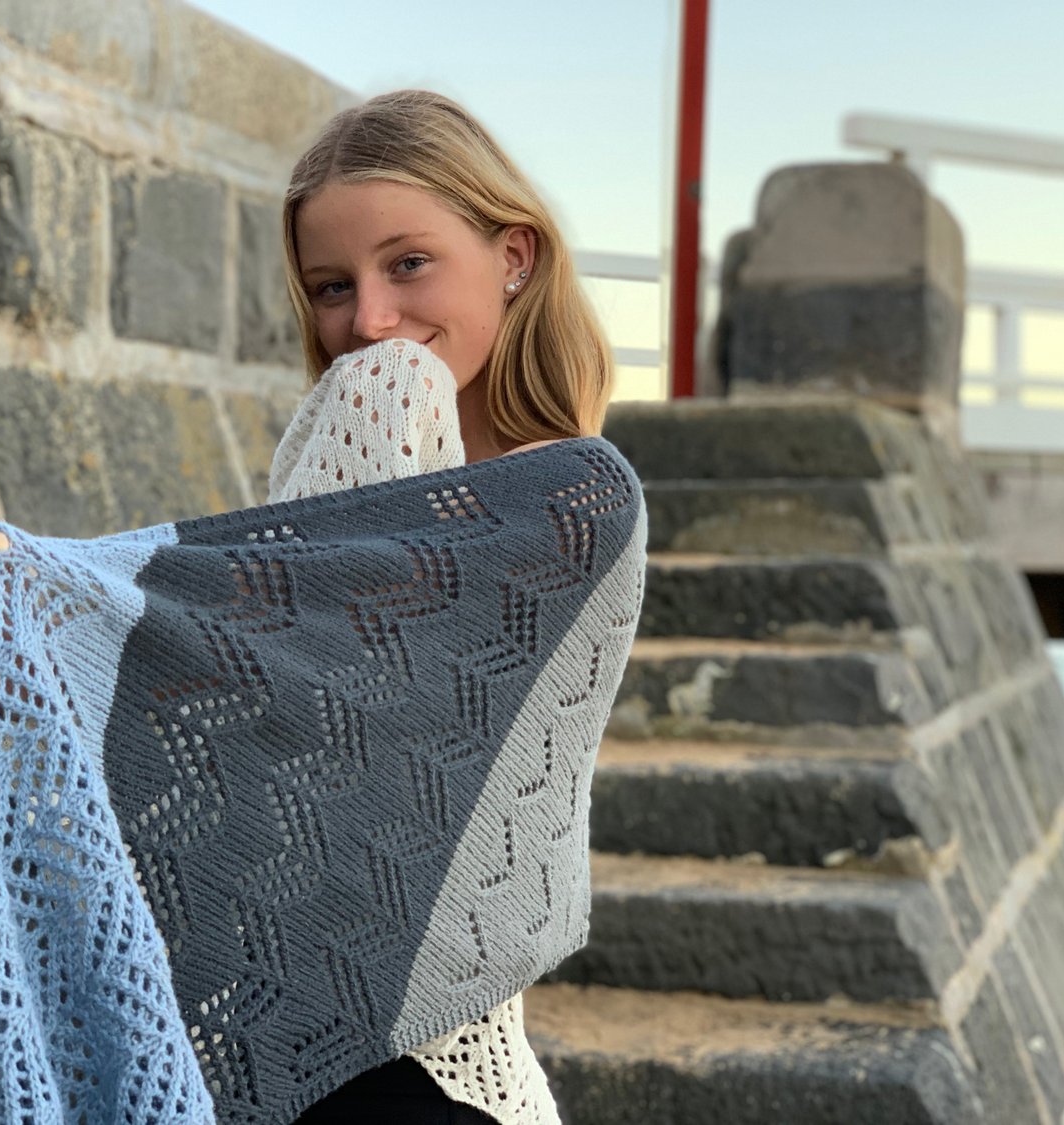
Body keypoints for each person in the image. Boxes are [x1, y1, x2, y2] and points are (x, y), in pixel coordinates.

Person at [270, 89, 617, 1125]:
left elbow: (347, 704)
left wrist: (385, 401)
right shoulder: (343, 452)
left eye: (408, 263)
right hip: (290, 1011)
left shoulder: (577, 494)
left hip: (429, 1059)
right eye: (333, 286)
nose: (371, 321)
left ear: (514, 255)